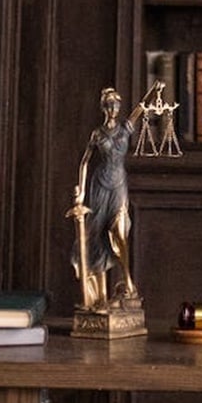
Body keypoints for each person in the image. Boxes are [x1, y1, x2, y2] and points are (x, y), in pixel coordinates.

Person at [68, 84, 160, 311]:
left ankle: (128, 282)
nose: (113, 108)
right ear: (103, 107)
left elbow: (139, 109)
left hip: (119, 184)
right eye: (109, 105)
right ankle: (99, 297)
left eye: (116, 104)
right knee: (96, 234)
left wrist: (154, 89)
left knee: (119, 233)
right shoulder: (97, 134)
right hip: (99, 186)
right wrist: (80, 191)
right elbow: (85, 161)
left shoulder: (125, 129)